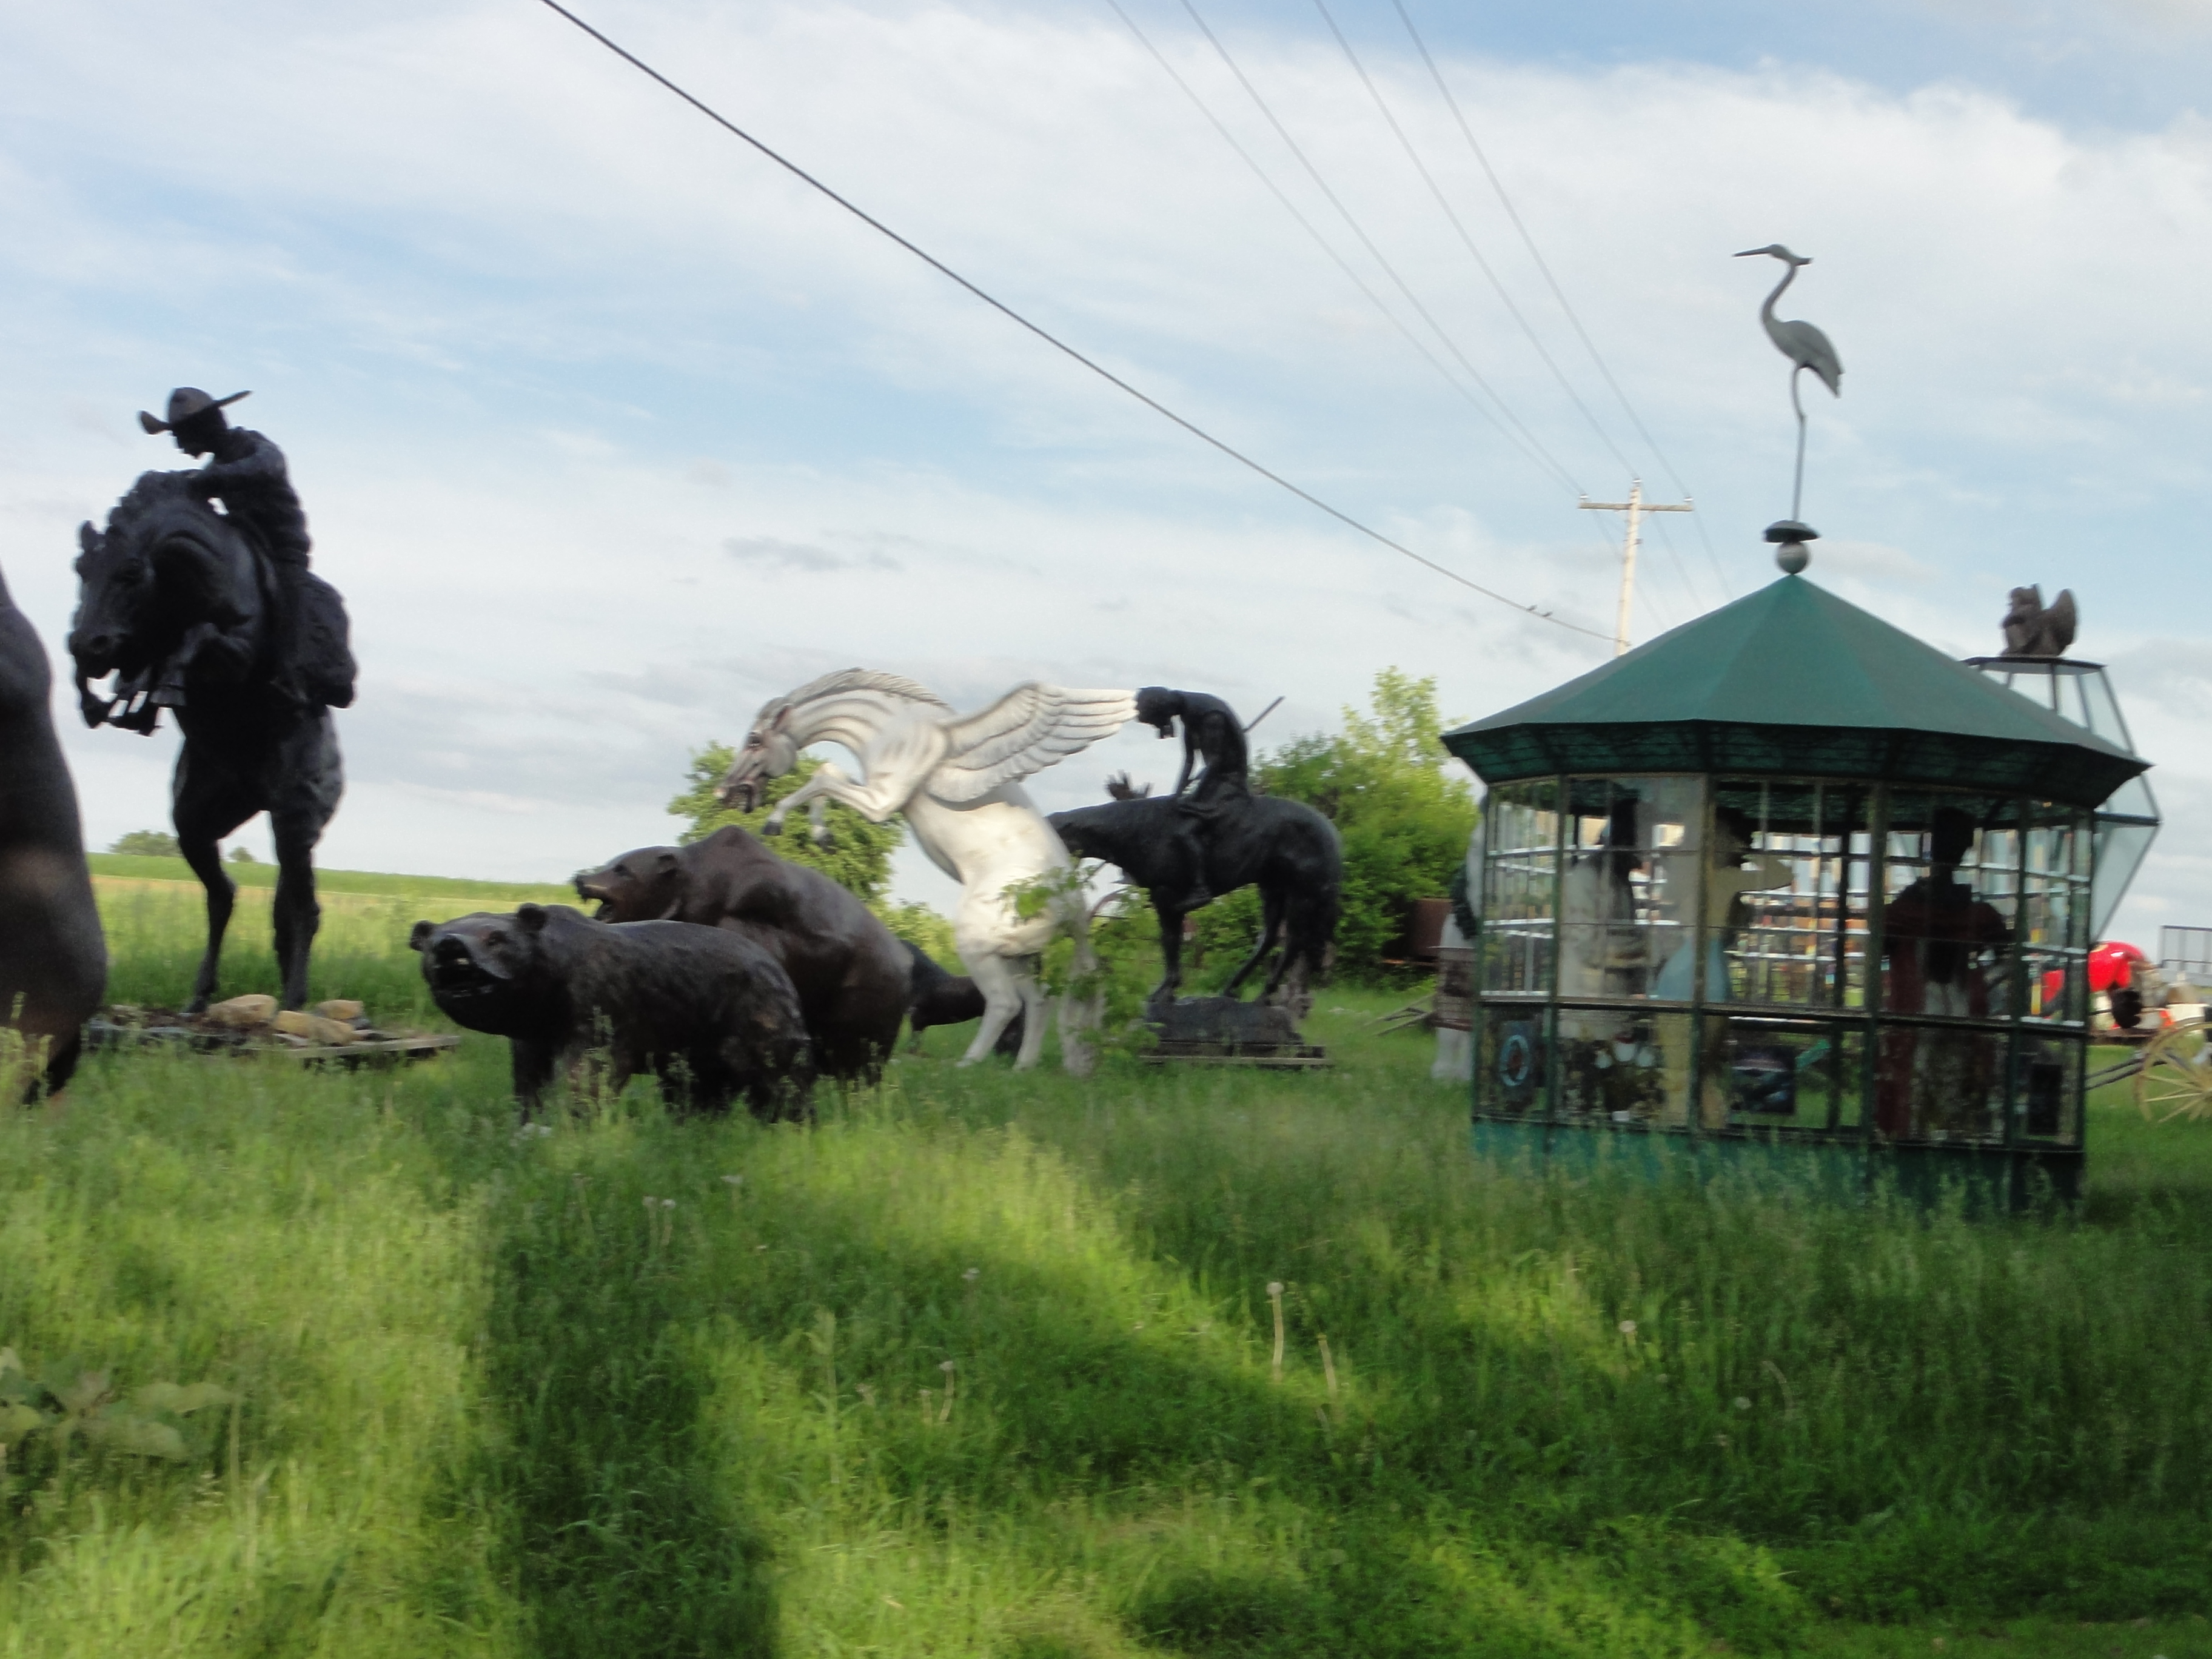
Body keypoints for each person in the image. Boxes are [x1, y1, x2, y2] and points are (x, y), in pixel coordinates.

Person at [138, 388, 348, 709]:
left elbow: (268, 465)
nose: (179, 446)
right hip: (245, 538)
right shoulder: (214, 466)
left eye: (181, 436)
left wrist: (214, 478)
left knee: (291, 596)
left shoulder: (251, 445)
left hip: (281, 545)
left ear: (204, 426)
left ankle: (290, 674)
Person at [1876, 807, 2011, 1138]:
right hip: (1956, 1010)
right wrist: (1983, 983)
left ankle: (1915, 1142)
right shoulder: (1974, 912)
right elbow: (2007, 958)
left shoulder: (1906, 909)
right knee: (1945, 1093)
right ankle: (1939, 1143)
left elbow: (1879, 949)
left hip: (1920, 1011)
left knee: (1918, 1089)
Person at [1134, 687, 1249, 908]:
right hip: (1214, 780)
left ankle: (1201, 887)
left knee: (1185, 831)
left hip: (1229, 782)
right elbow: (1189, 761)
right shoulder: (1191, 713)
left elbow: (1214, 762)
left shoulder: (1211, 716)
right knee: (1174, 813)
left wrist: (1193, 796)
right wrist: (1176, 796)